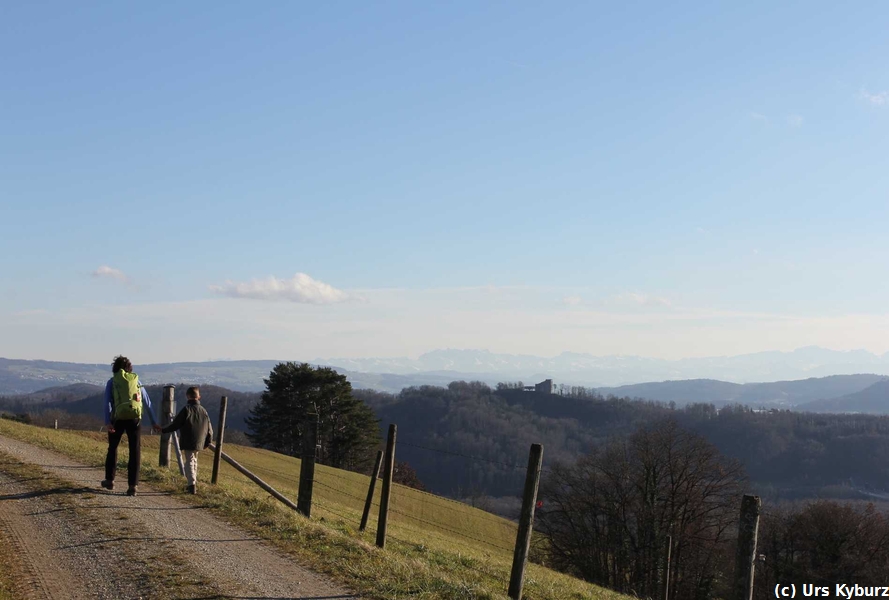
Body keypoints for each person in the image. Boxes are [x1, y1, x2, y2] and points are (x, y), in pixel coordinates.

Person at [102, 355, 155, 496]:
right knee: (135, 450)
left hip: (117, 418)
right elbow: (147, 402)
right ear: (130, 368)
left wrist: (108, 421)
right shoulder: (136, 381)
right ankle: (133, 485)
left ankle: (109, 480)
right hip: (134, 419)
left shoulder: (112, 382)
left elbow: (107, 402)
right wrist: (154, 421)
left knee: (113, 448)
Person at [154, 386, 212, 494]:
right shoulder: (204, 411)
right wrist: (208, 441)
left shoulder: (186, 409)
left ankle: (191, 485)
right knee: (194, 461)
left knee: (189, 461)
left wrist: (163, 430)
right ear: (199, 396)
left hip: (188, 439)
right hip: (200, 440)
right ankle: (193, 481)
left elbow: (176, 424)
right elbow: (210, 428)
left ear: (187, 396)